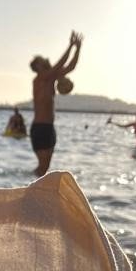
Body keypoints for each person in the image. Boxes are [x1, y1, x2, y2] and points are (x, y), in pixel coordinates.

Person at [29, 31, 83, 176]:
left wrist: (78, 48)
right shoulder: (40, 79)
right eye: (42, 61)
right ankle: (28, 190)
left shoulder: (51, 78)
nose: (46, 60)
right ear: (38, 67)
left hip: (49, 127)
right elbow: (59, 64)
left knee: (45, 167)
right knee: (42, 167)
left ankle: (33, 190)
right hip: (40, 127)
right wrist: (70, 46)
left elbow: (71, 66)